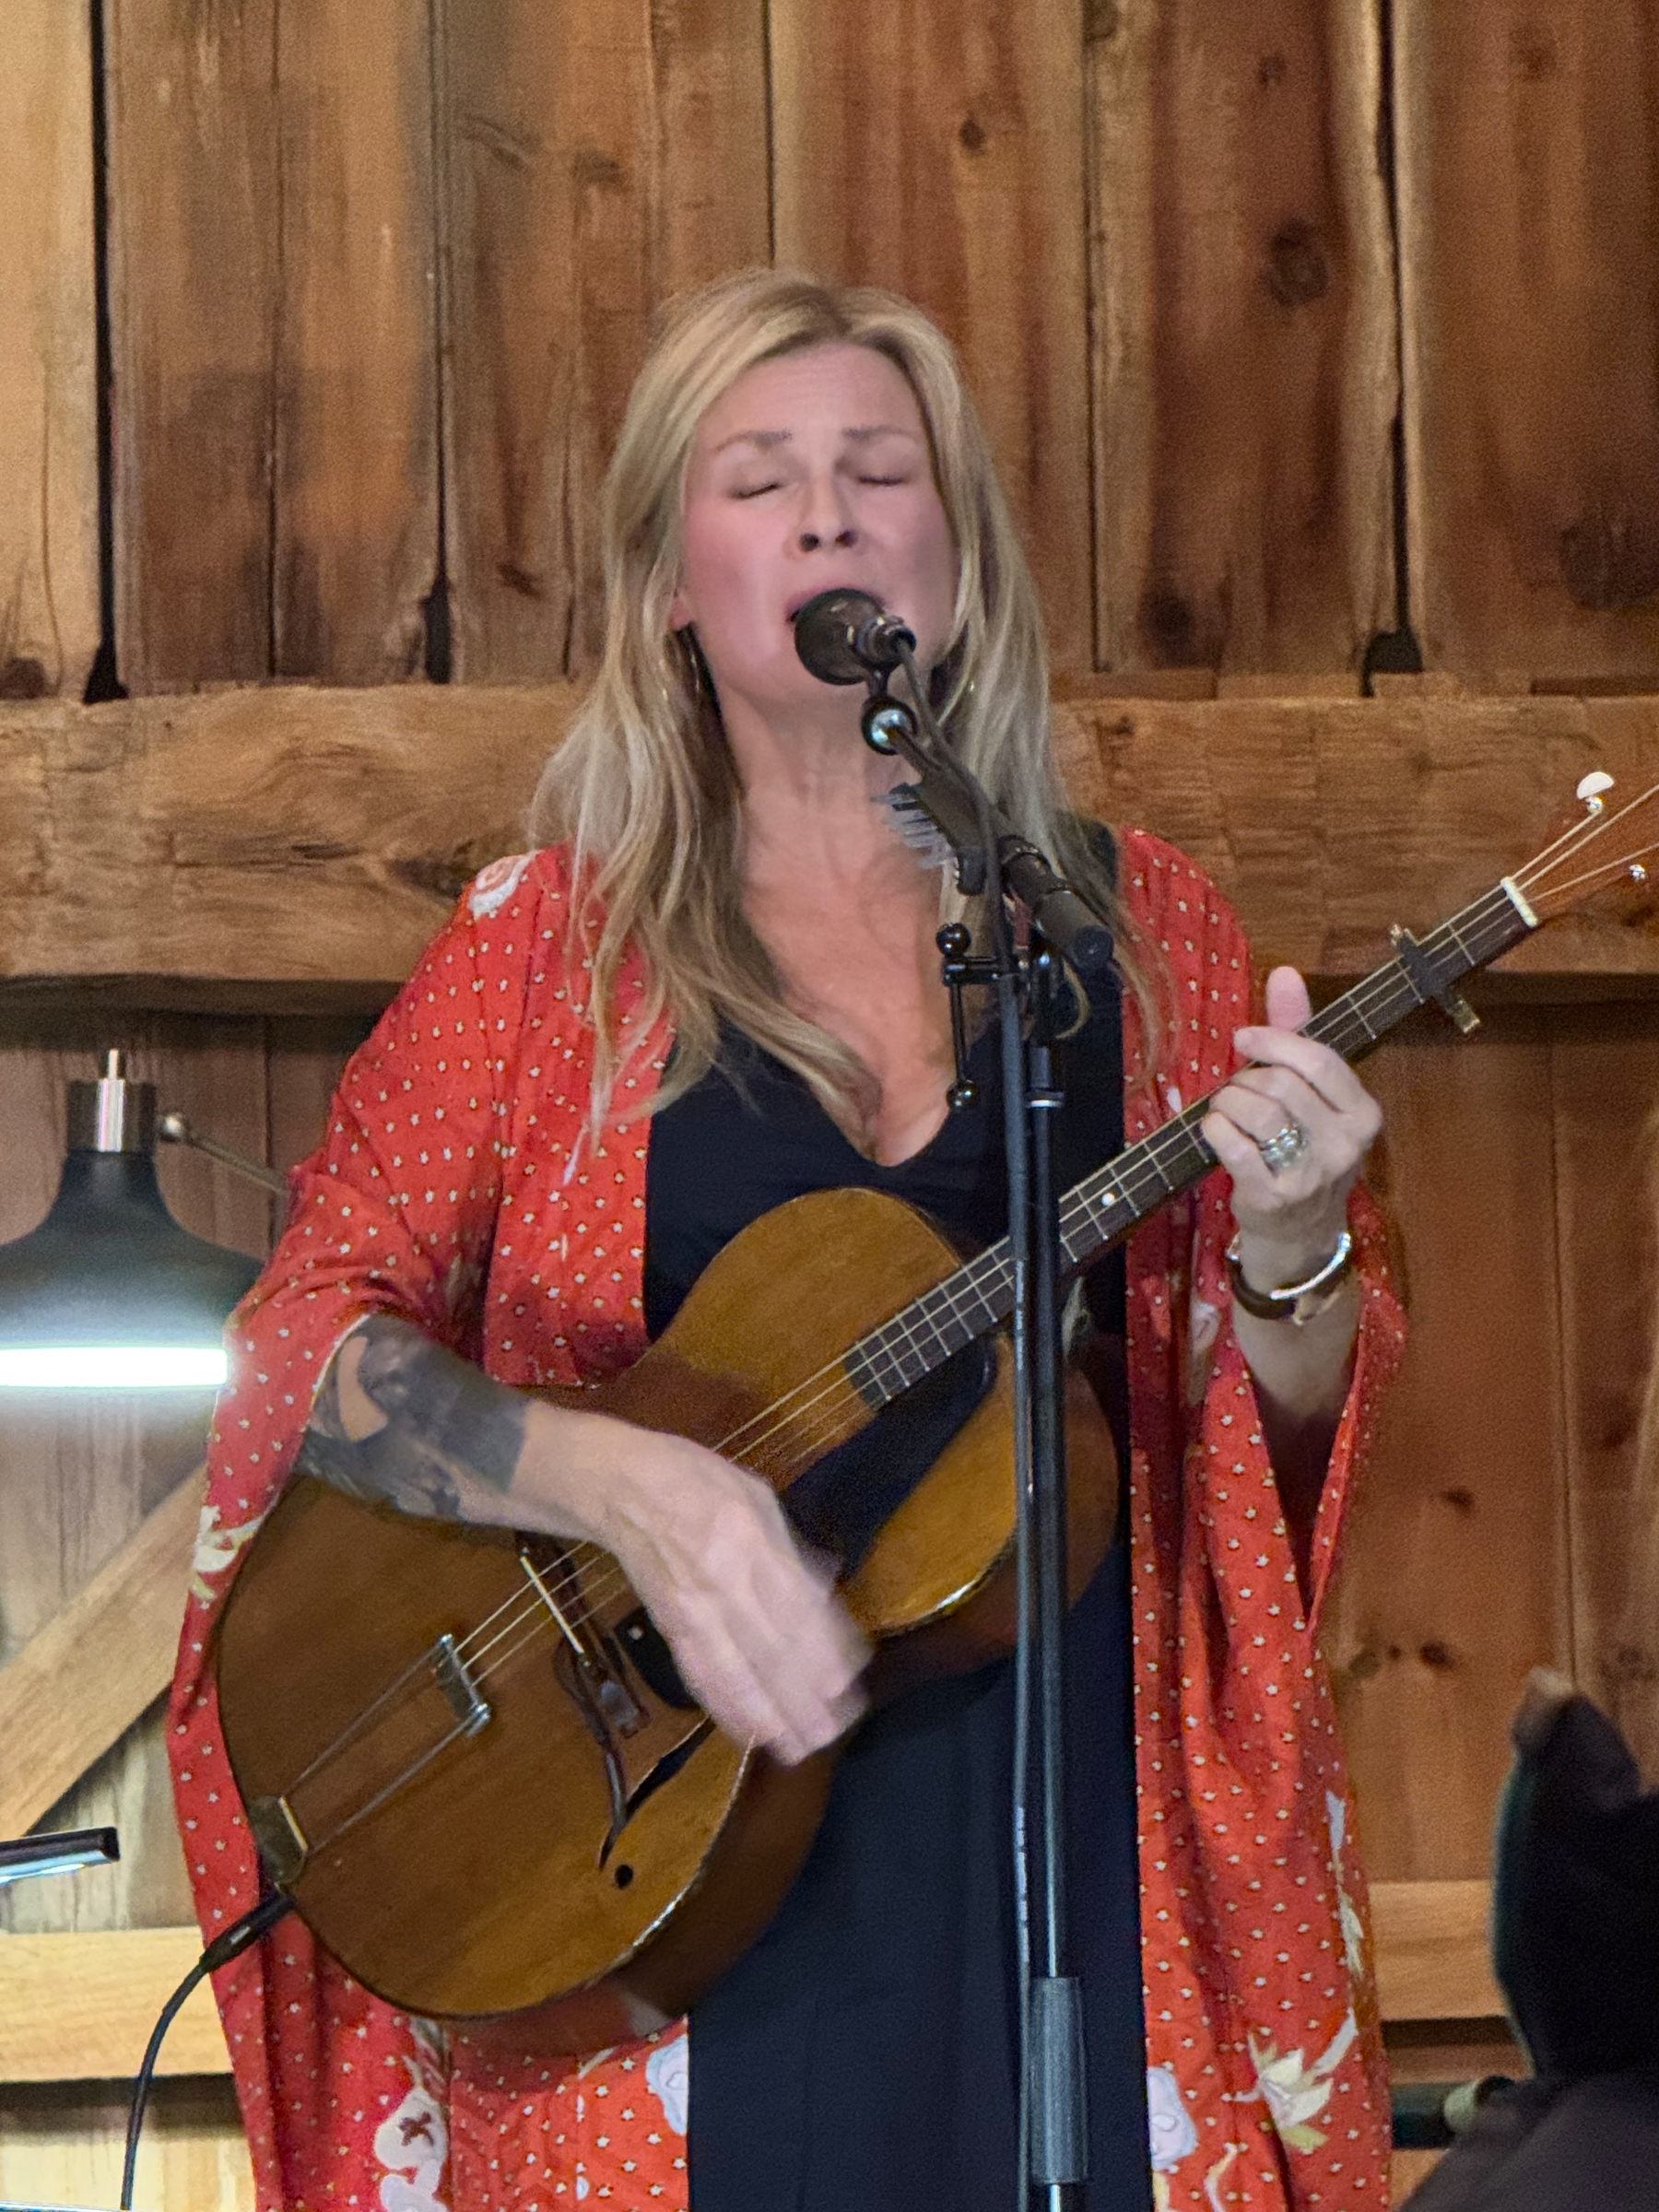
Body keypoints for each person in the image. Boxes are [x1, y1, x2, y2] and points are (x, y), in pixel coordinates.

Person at [170, 268, 1406, 2212]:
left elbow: (1263, 1457)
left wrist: (1300, 1247)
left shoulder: (1141, 933)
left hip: (1069, 1837)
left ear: (958, 561)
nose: (828, 514)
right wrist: (635, 1487)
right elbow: (298, 1346)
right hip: (652, 1851)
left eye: (877, 471)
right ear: (675, 583)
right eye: (762, 480)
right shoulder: (540, 957)